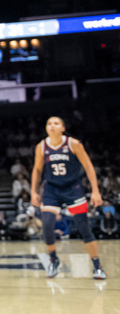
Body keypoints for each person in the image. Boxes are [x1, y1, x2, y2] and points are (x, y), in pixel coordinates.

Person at [30, 116, 106, 280]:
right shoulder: (41, 146)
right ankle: (54, 259)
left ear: (63, 128)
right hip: (51, 189)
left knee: (83, 227)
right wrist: (33, 191)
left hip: (73, 188)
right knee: (48, 225)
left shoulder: (73, 144)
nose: (52, 126)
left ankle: (97, 265)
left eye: (56, 123)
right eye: (49, 123)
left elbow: (88, 166)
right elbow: (37, 169)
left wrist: (95, 190)